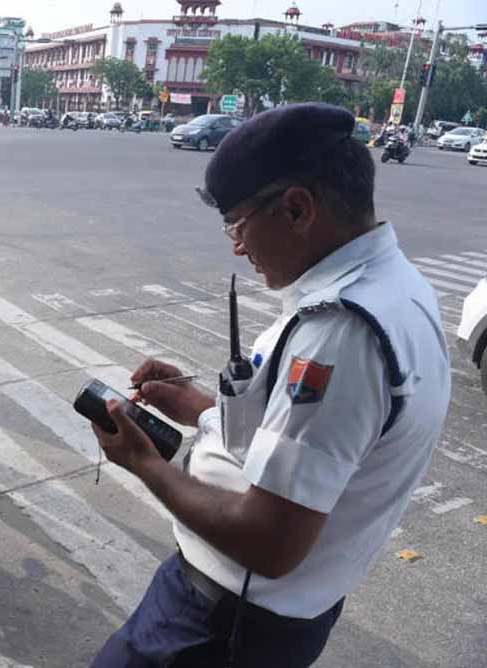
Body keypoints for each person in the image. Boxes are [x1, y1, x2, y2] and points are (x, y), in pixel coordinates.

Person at [90, 103, 450, 667]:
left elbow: (270, 542)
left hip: (219, 626)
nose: (237, 246)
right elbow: (312, 440)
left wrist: (144, 463)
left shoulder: (341, 334)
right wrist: (202, 409)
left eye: (238, 224)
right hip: (245, 613)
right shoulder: (395, 285)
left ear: (297, 209)